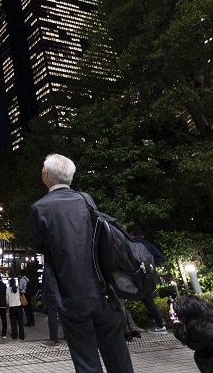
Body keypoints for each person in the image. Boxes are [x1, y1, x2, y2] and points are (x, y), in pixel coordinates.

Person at [29, 154, 134, 373]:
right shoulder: (86, 199)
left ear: (45, 175)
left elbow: (38, 245)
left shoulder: (39, 209)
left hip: (70, 294)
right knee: (117, 353)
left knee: (86, 359)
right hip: (103, 290)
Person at [126, 224, 168, 334]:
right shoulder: (147, 244)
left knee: (147, 298)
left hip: (141, 277)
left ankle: (160, 325)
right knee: (146, 298)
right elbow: (161, 259)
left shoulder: (133, 244)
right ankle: (159, 321)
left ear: (130, 233)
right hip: (150, 275)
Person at [40, 262, 62, 348]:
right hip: (64, 292)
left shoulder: (49, 264)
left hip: (53, 292)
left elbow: (48, 281)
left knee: (52, 313)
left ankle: (53, 340)